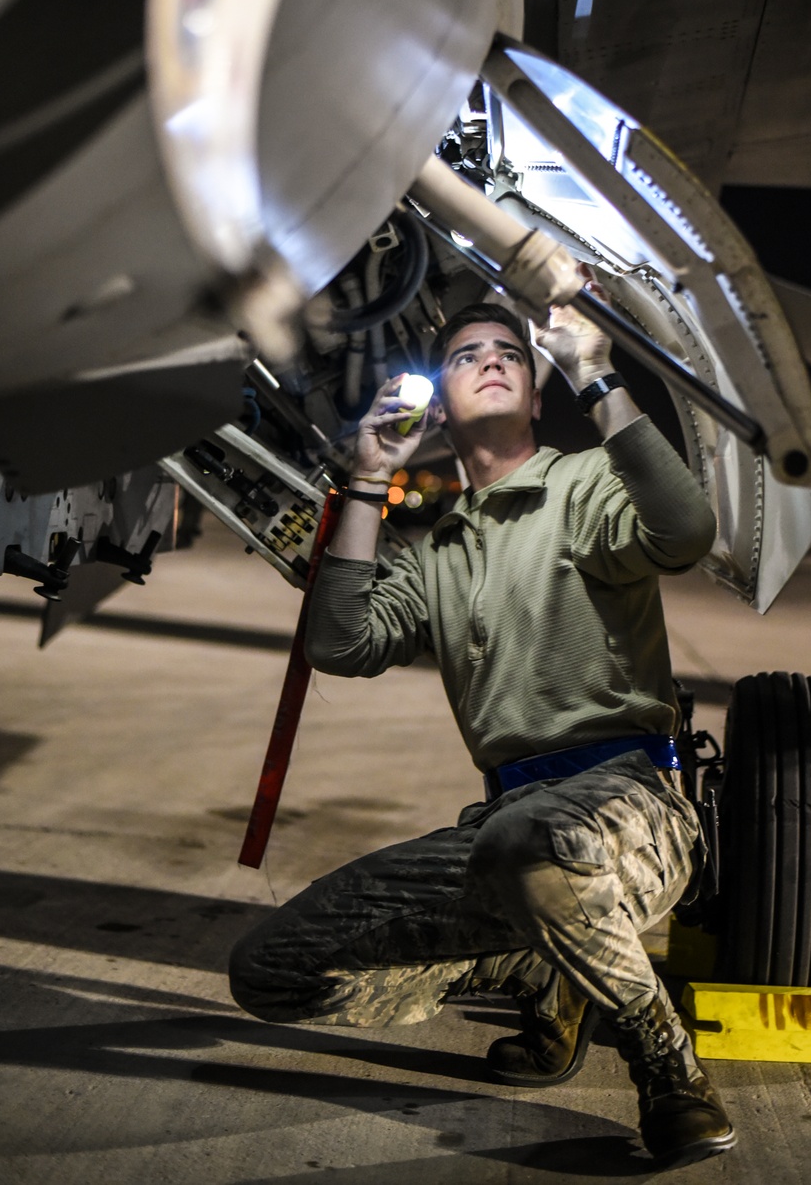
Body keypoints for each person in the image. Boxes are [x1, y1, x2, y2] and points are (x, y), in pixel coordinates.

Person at [229, 297, 736, 1169]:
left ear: (537, 395)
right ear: (439, 403)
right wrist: (365, 476)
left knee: (529, 847)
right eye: (466, 356)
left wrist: (595, 370)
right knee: (272, 969)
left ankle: (665, 1059)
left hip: (632, 807)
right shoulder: (439, 553)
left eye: (510, 352)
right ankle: (544, 967)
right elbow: (338, 642)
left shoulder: (582, 487)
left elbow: (686, 530)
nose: (493, 359)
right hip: (506, 828)